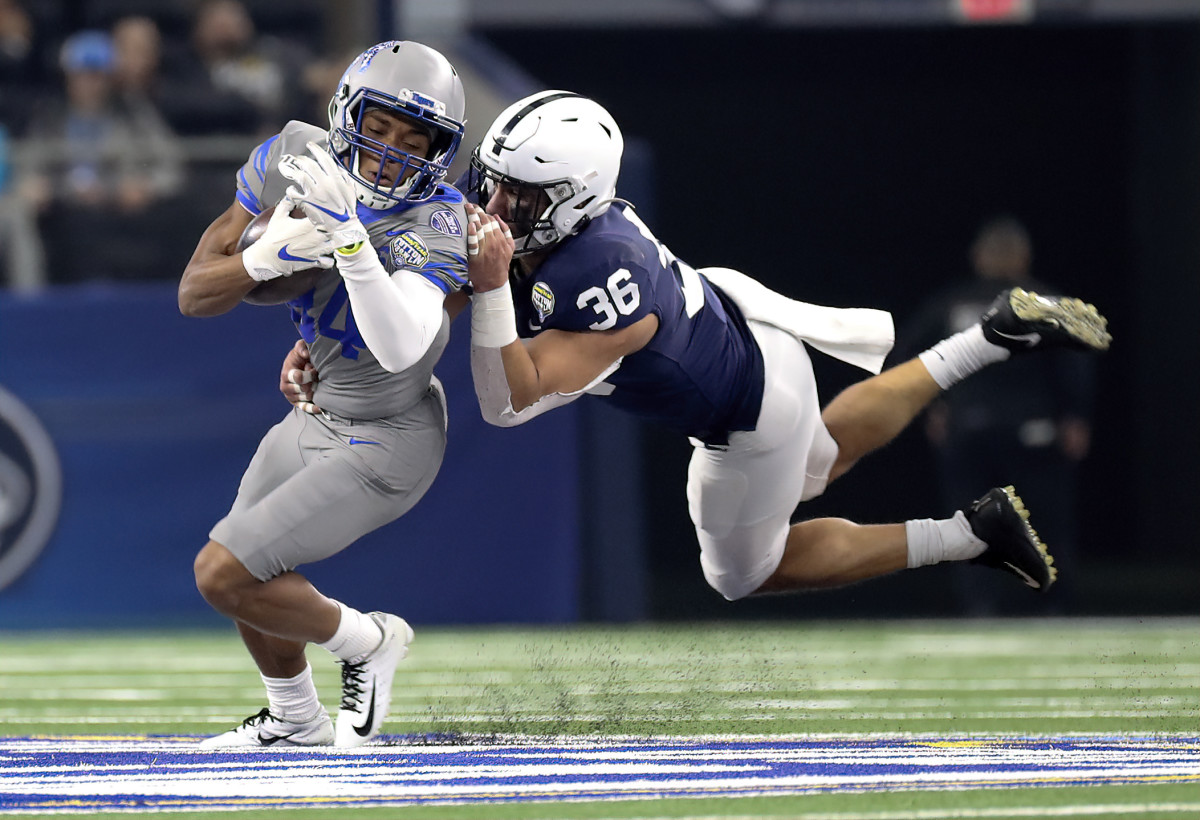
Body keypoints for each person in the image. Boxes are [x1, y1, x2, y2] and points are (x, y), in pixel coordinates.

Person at [457, 91, 1111, 605]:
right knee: (821, 457)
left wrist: (484, 288)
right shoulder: (583, 227)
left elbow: (509, 397)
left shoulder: (601, 281)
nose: (493, 203)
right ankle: (987, 338)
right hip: (754, 339)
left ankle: (965, 537)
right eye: (492, 180)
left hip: (744, 414)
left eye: (518, 194)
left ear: (574, 198)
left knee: (742, 574)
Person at [178, 40, 470, 748]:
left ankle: (369, 641)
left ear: (440, 152)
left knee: (223, 574)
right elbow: (194, 292)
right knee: (247, 565)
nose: (392, 151)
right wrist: (258, 259)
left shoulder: (437, 218)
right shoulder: (293, 158)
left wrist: (346, 240)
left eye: (414, 138)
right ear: (347, 117)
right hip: (317, 409)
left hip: (391, 433)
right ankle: (294, 716)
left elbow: (404, 343)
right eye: (378, 127)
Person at [891, 216, 1097, 615]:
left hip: (968, 431)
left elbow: (909, 357)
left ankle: (980, 604)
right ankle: (1052, 605)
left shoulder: (951, 303)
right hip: (1033, 431)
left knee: (970, 523)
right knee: (1044, 522)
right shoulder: (1045, 301)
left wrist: (930, 405)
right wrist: (1076, 416)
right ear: (1025, 256)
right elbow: (1075, 361)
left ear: (977, 257)